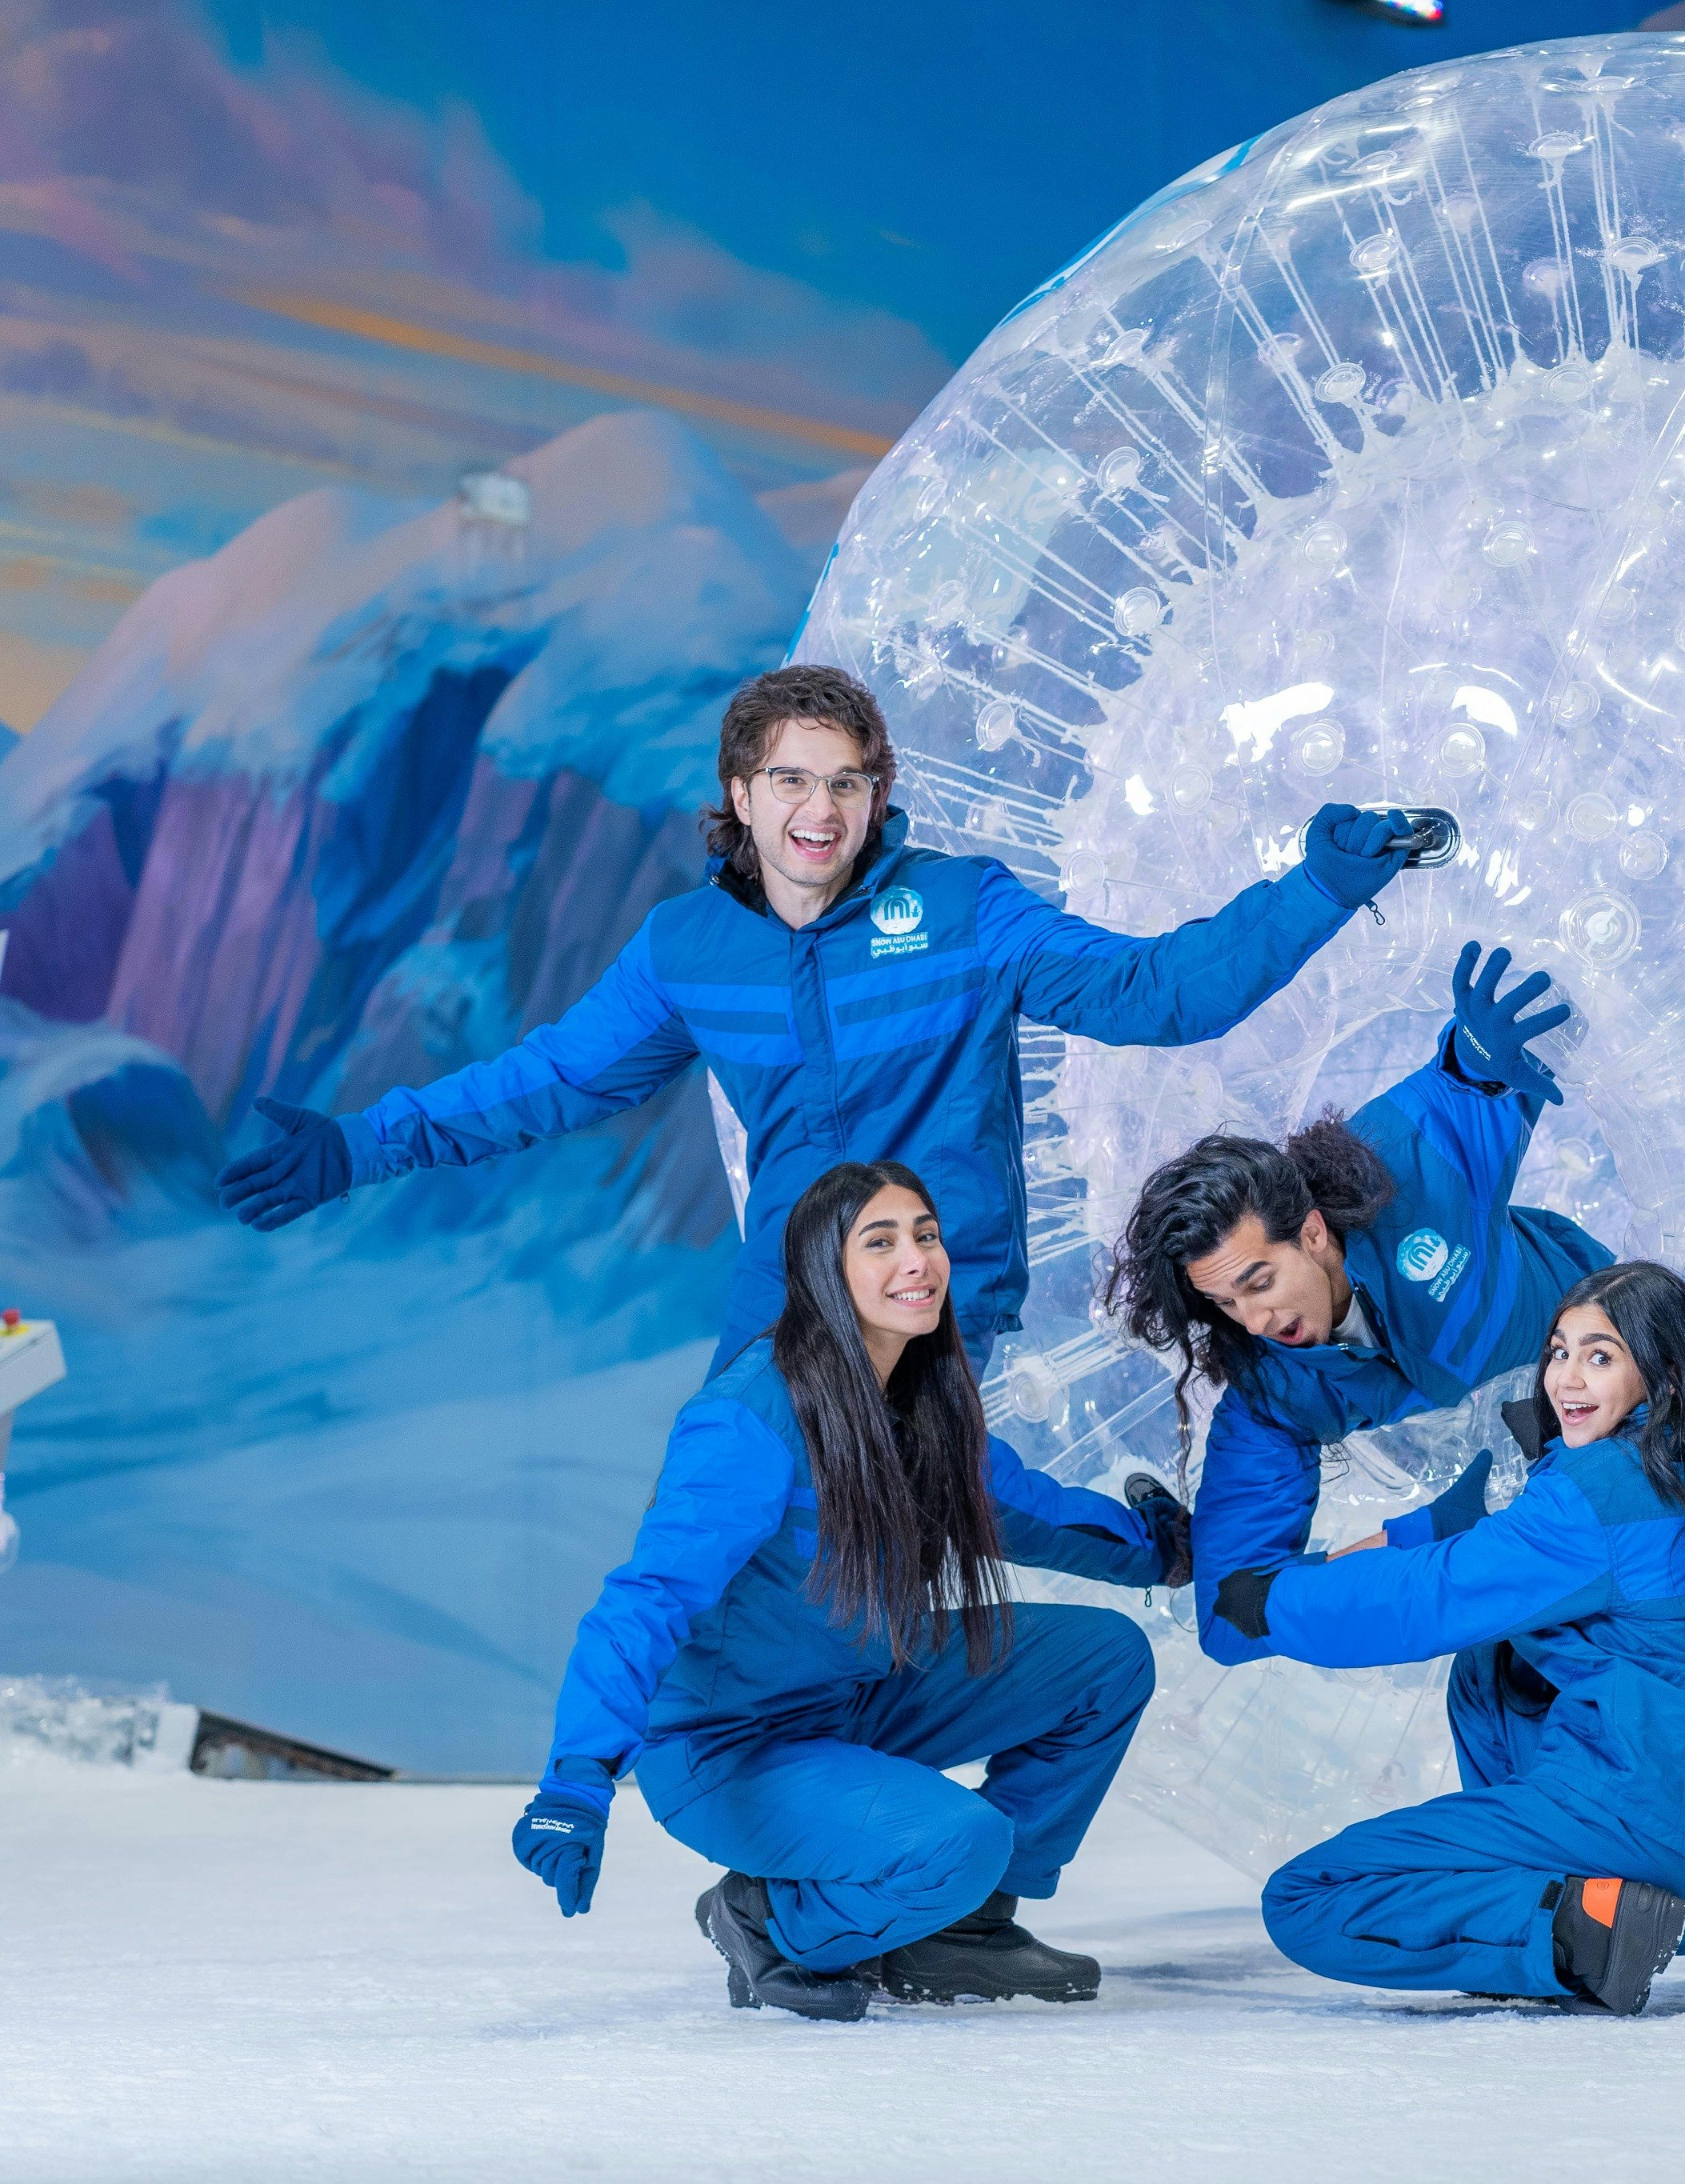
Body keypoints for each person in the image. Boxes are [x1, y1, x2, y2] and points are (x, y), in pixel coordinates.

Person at [216, 663, 1428, 1371]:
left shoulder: (962, 910)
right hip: (785, 1305)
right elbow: (554, 1078)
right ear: (741, 794)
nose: (821, 809)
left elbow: (1161, 992)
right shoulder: (690, 948)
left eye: (847, 781)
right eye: (792, 779)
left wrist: (1316, 889)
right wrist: (361, 1144)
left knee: (867, 1576)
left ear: (876, 793)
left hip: (933, 1304)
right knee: (724, 1560)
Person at [509, 1159, 1188, 2021]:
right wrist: (576, 1780)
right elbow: (646, 1602)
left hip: (861, 1686)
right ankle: (767, 1918)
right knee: (961, 1841)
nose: (916, 1260)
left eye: (926, 1236)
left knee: (1107, 1658)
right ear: (822, 1269)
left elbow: (1026, 1511)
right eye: (880, 1242)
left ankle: (963, 1926)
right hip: (732, 1748)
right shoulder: (748, 1420)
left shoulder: (918, 1398)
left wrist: (1166, 1551)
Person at [1210, 1261, 1685, 2013]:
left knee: (1306, 1896)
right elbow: (1479, 1558)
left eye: (1601, 1356)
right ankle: (1559, 1901)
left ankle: (1575, 1928)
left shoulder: (1600, 1495)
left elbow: (1434, 1595)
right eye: (1559, 1352)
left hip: (1657, 1834)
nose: (1567, 1379)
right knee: (1495, 1653)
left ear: (1663, 1376)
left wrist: (1277, 1602)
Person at [1105, 939, 1609, 1663]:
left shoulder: (1402, 1164)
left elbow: (1471, 1077)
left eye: (1259, 1282)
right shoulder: (1272, 1386)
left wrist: (1476, 1051)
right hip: (1514, 1441)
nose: (1255, 1321)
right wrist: (1425, 1535)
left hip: (1597, 1317)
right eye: (1224, 1303)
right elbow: (1234, 1614)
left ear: (1311, 1234)